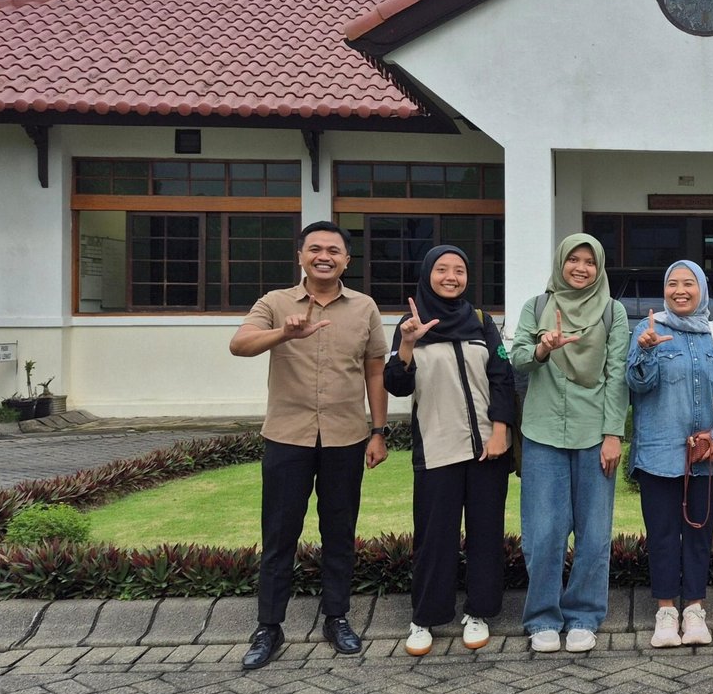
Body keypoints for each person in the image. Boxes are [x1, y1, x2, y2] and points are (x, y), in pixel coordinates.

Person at [229, 220, 389, 670]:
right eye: (315, 249)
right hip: (287, 438)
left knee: (339, 533)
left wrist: (379, 431)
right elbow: (239, 345)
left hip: (346, 437)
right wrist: (284, 333)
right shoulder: (275, 303)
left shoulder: (364, 307)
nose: (324, 256)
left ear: (347, 260)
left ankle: (336, 618)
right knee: (279, 535)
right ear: (300, 256)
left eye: (333, 251)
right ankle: (269, 627)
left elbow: (375, 371)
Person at [384, 245, 515, 656]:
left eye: (459, 270)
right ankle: (424, 617)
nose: (451, 277)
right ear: (428, 274)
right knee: (433, 537)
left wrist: (501, 431)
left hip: (487, 450)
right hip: (437, 447)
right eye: (442, 269)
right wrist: (408, 345)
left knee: (486, 534)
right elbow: (396, 384)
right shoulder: (410, 324)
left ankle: (478, 612)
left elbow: (502, 376)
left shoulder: (482, 321)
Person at [510, 234, 630, 654]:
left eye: (589, 261)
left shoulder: (613, 312)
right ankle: (543, 617)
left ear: (599, 268)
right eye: (573, 260)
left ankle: (583, 616)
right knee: (543, 532)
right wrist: (543, 348)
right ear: (560, 263)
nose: (581, 268)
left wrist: (613, 434)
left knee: (594, 533)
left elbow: (617, 375)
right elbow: (517, 358)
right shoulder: (537, 307)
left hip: (594, 434)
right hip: (542, 431)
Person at [626, 260, 713, 648]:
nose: (680, 290)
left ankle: (694, 609)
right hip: (658, 452)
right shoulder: (647, 329)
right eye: (672, 283)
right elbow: (637, 386)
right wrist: (645, 352)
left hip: (703, 454)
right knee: (661, 534)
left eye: (688, 283)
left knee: (698, 534)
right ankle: (665, 611)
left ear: (702, 289)